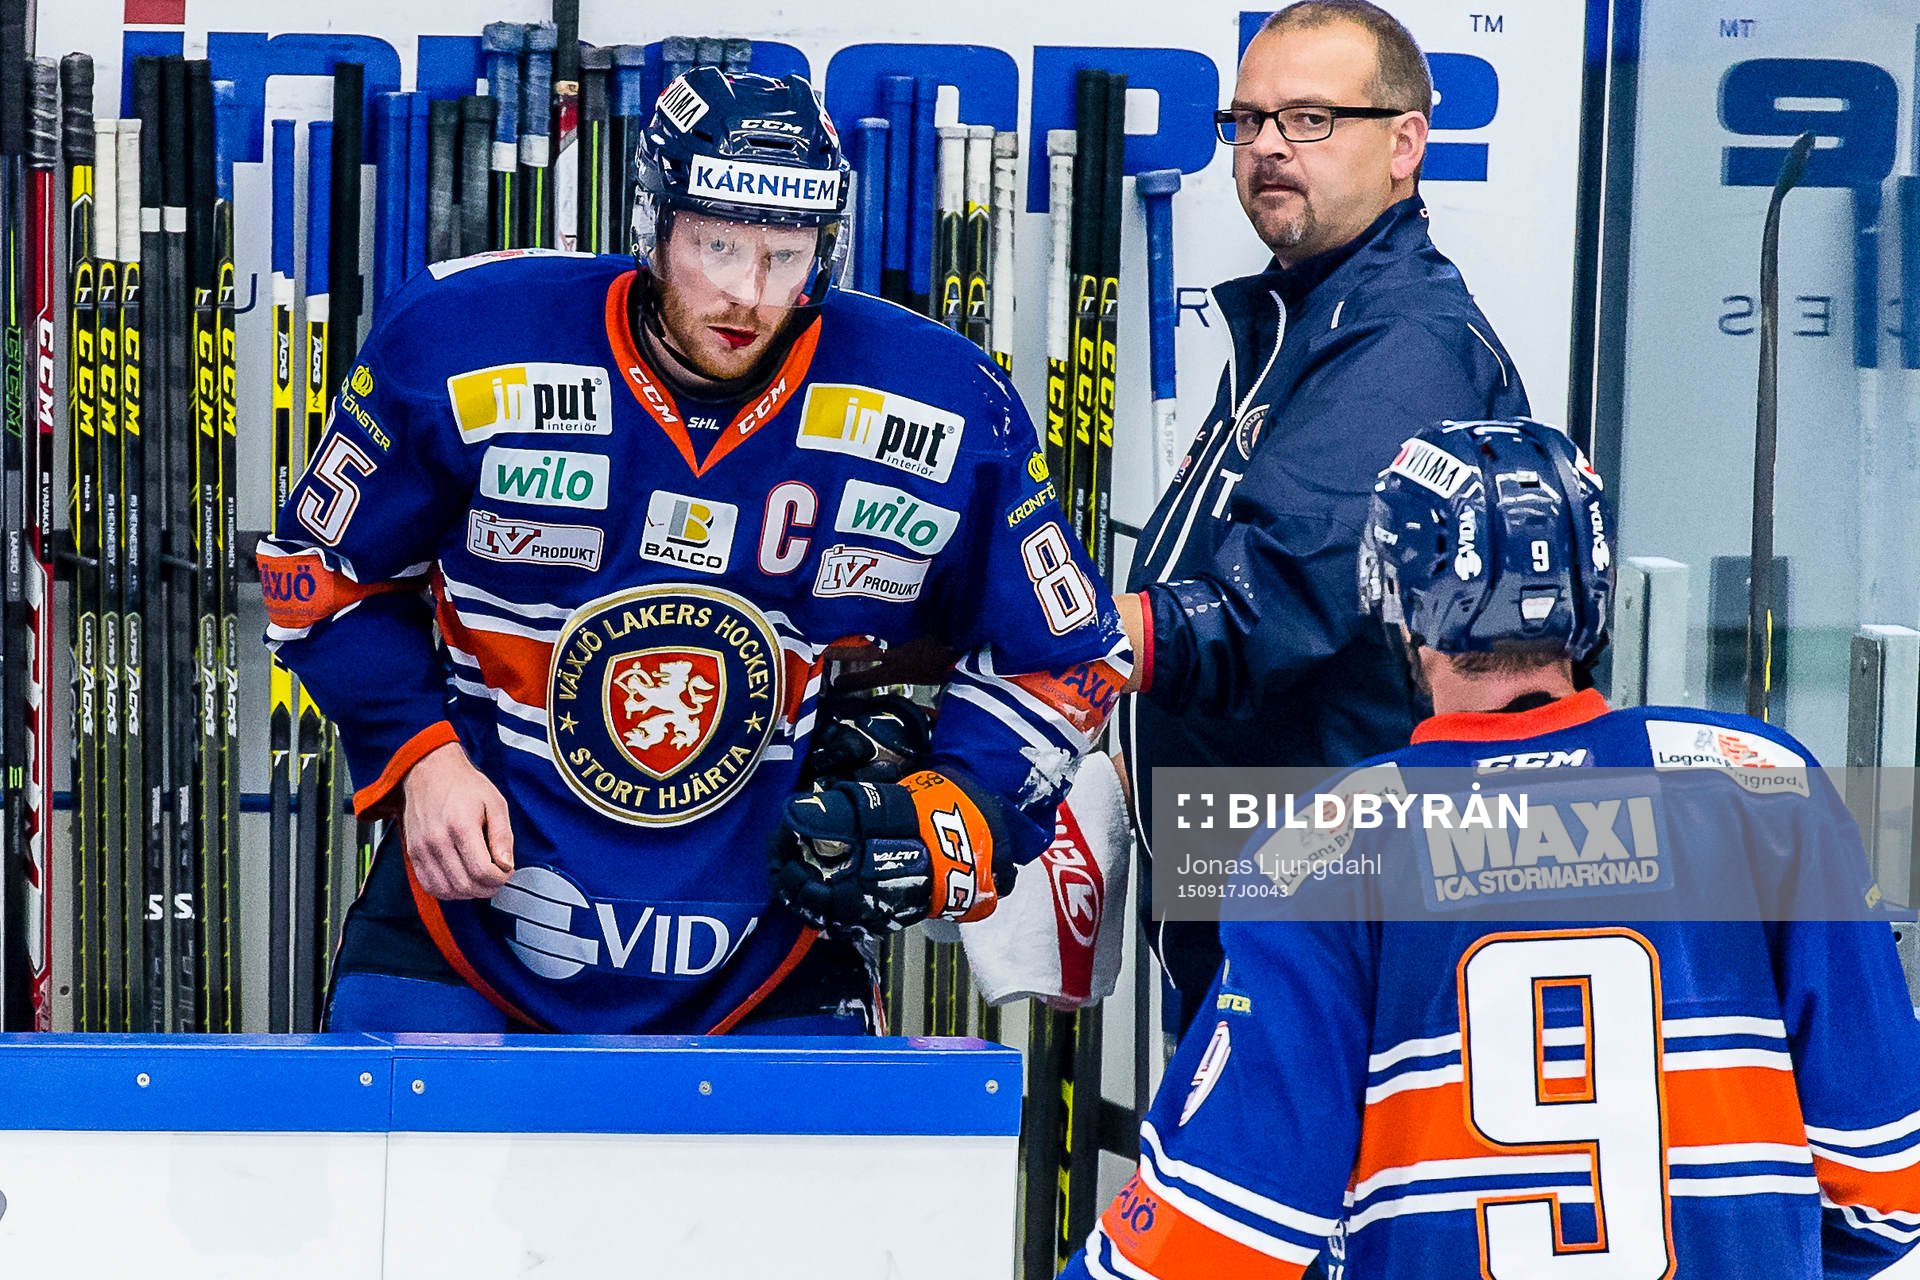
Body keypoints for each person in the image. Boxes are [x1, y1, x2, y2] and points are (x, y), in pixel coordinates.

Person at [259, 68, 1129, 1035]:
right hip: (466, 927)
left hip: (775, 946)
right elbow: (316, 574)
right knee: (402, 1185)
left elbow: (1071, 653)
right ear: (653, 222)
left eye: (784, 253)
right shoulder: (462, 342)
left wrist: (960, 805)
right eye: (716, 245)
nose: (748, 294)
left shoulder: (948, 402)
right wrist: (419, 754)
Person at [1065, 418, 1920, 1279]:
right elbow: (1890, 1193)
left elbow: (1217, 1242)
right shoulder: (1763, 787)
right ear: (1595, 585)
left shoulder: (1326, 848)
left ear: (1397, 601)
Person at [1113, 0, 1531, 1033]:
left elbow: (1264, 608)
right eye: (1247, 120)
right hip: (1261, 914)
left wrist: (1044, 632)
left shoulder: (1403, 343)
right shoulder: (1310, 315)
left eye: (1307, 119)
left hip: (1335, 939)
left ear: (1404, 141)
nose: (1265, 147)